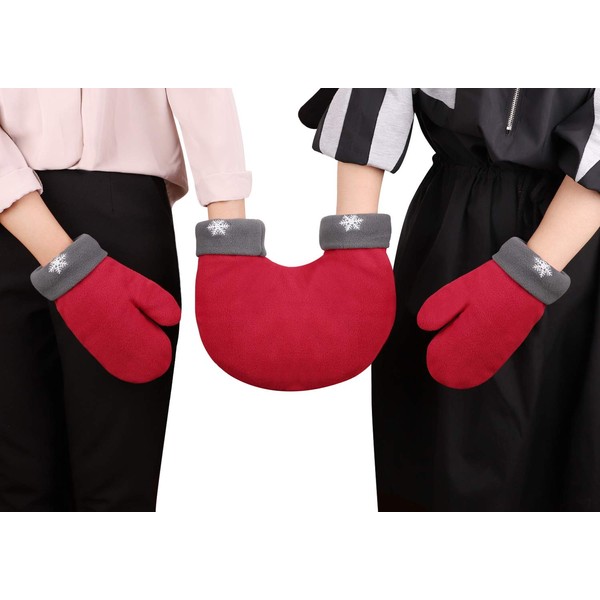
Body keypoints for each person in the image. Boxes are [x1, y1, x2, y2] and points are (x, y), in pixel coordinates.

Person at [300, 88, 600, 511]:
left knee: (576, 461)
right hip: (454, 224)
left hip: (580, 232)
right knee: (441, 465)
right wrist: (353, 251)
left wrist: (527, 276)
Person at [0, 88, 250, 511]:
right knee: (16, 487)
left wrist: (230, 253)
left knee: (117, 492)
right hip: (19, 218)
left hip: (123, 216)